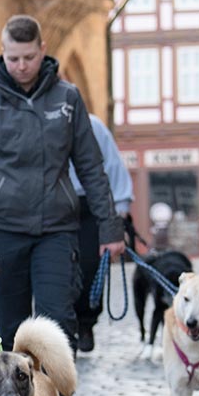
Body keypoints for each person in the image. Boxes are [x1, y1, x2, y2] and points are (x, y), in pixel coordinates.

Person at [0, 15, 124, 396]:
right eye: (12, 58)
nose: (21, 65)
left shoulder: (68, 99)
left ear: (42, 49)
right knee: (9, 337)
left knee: (55, 331)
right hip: (3, 232)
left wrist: (110, 228)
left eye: (29, 57)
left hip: (56, 230)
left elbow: (91, 167)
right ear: (3, 51)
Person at [71, 113, 135, 353]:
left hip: (90, 204)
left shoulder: (93, 125)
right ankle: (62, 327)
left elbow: (112, 167)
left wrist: (120, 211)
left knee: (90, 268)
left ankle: (86, 322)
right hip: (51, 203)